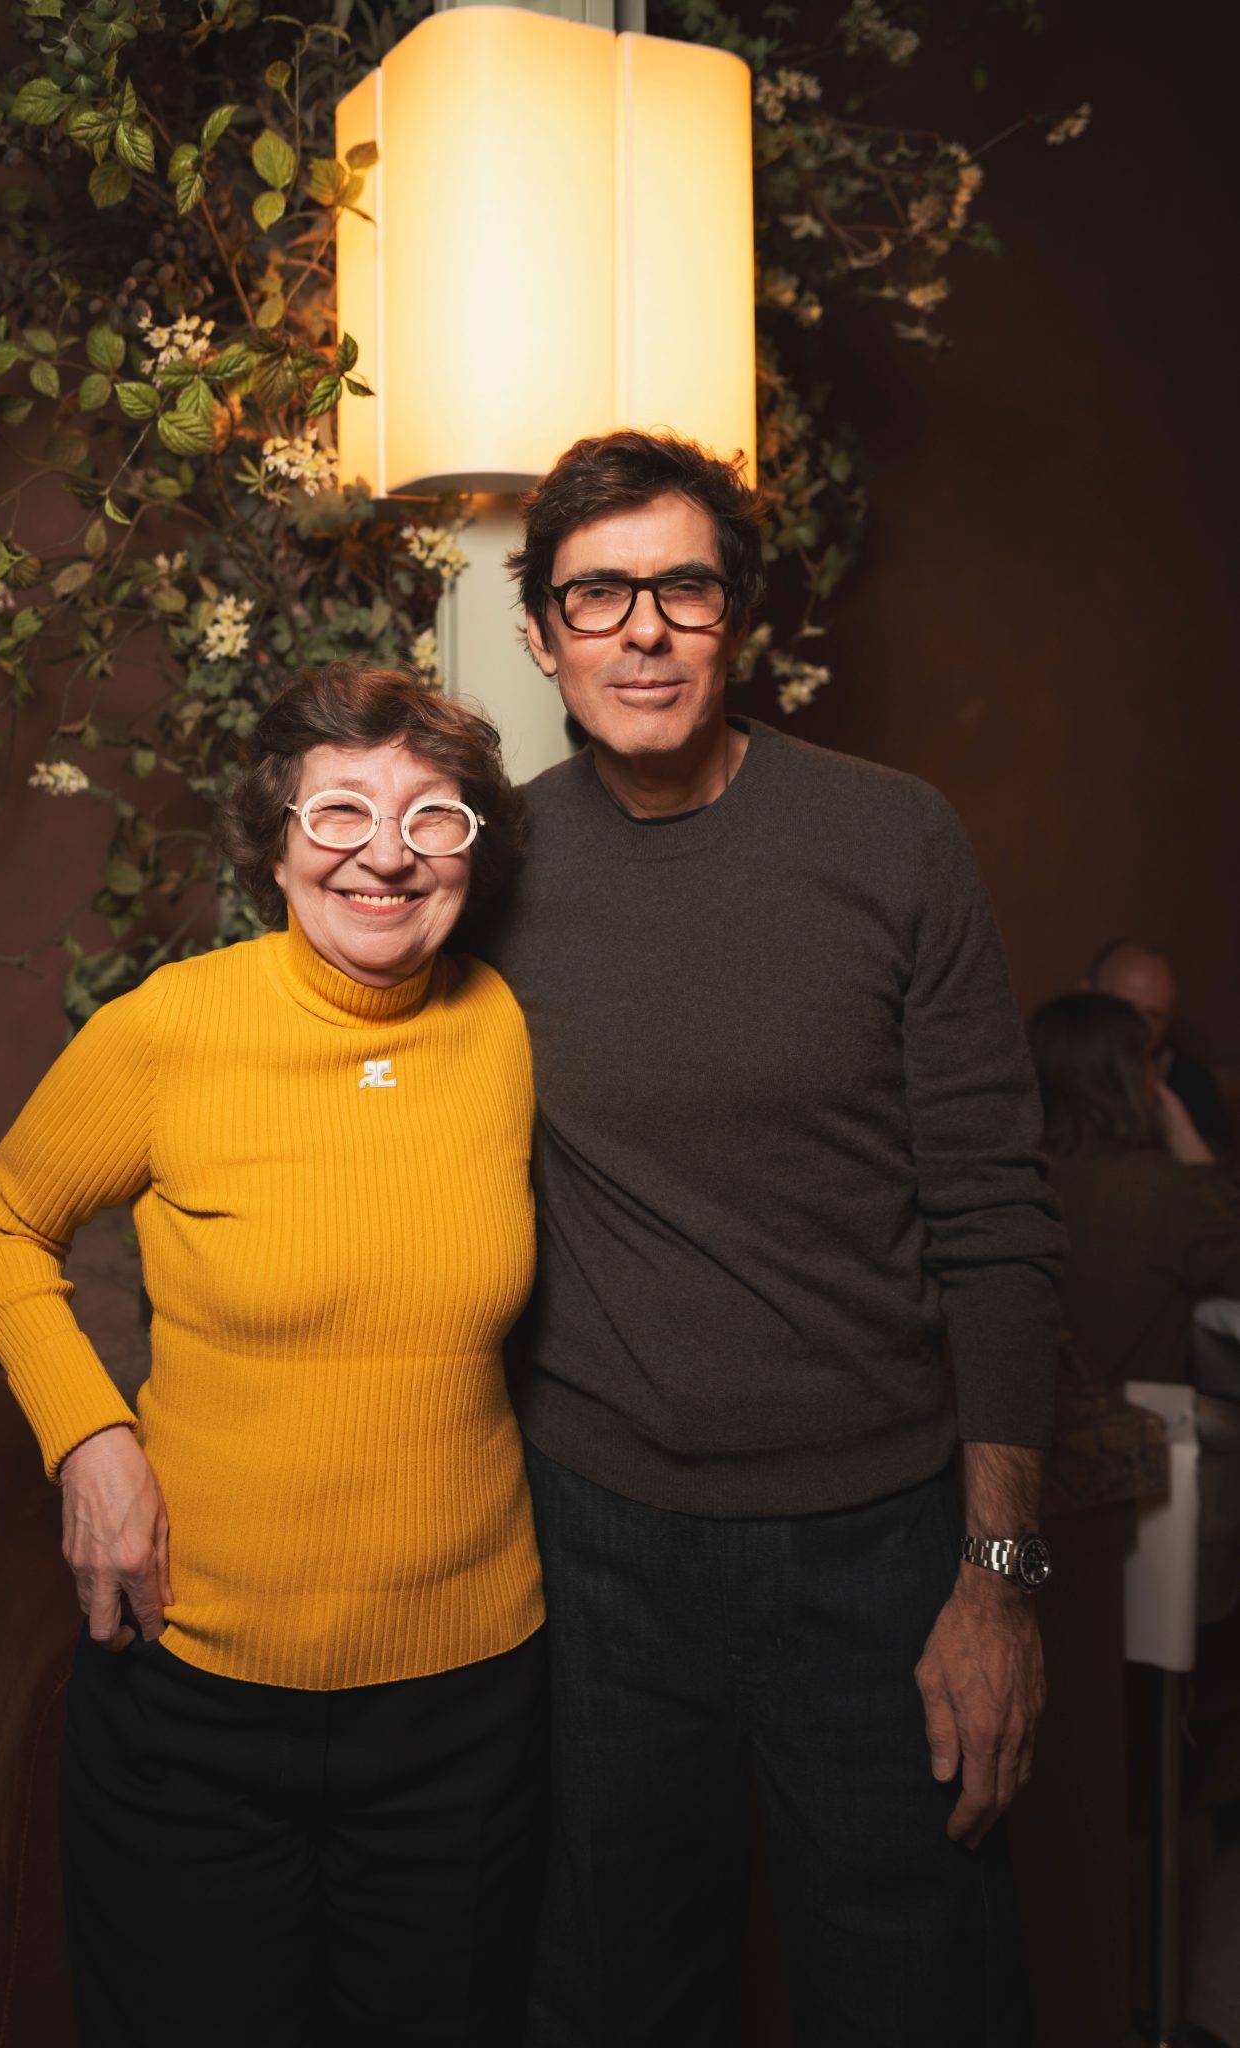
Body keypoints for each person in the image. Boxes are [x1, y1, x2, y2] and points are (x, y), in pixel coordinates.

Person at [474, 428, 1066, 2047]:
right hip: (595, 1552)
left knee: (917, 1987)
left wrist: (994, 1577)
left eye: (680, 586)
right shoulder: (487, 868)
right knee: (608, 1996)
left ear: (735, 616)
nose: (641, 630)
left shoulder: (891, 839)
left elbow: (995, 1220)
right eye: (596, 595)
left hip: (876, 1550)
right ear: (539, 634)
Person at [0, 665, 547, 2048]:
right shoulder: (170, 1030)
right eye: (337, 810)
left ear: (473, 853)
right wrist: (89, 1440)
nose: (384, 854)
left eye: (432, 819)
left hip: (464, 1710)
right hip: (193, 1701)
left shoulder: (501, 1030)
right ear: (273, 841)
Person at [1028, 989, 1240, 1385]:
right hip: (1131, 1432)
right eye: (1147, 1063)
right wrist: (1195, 1154)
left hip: (1032, 1425)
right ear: (1128, 1079)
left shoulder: (1020, 1179)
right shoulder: (1163, 1190)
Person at [1083, 937, 1232, 1156]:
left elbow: (1215, 1174)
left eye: (1153, 1015)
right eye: (1123, 1009)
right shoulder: (1045, 1071)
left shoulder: (1188, 1081)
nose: (1138, 1027)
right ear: (1084, 994)